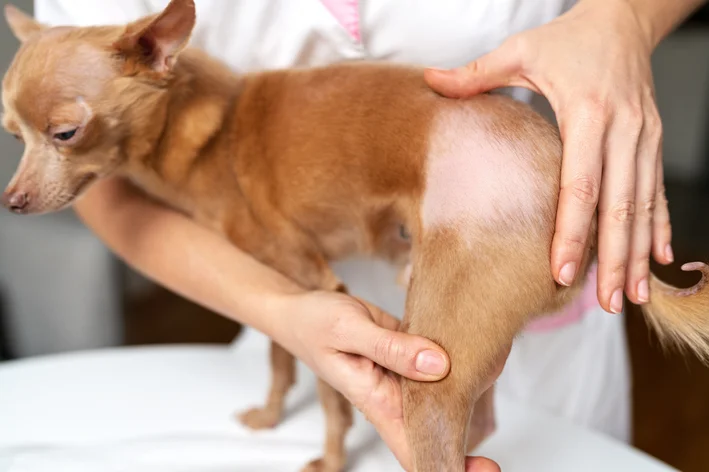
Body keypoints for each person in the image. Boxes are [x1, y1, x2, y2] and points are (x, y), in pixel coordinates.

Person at [32, 0, 705, 470]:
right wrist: (280, 313)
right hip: (285, 295)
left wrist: (623, 17)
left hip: (521, 232)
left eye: (58, 135)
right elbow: (104, 186)